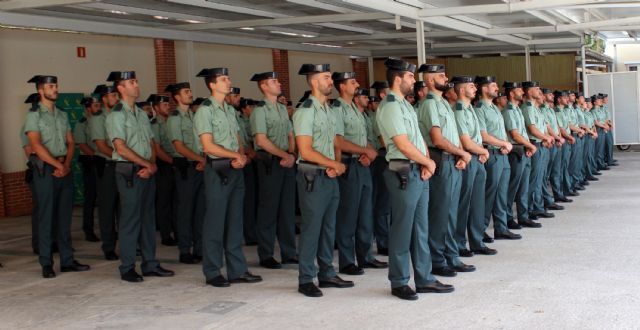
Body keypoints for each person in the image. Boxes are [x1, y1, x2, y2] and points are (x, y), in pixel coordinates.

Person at [377, 58, 453, 300]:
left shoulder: (406, 105)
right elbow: (401, 143)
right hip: (403, 172)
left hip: (417, 171)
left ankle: (424, 277)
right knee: (402, 228)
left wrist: (426, 163)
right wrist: (428, 162)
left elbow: (418, 140)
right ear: (398, 78)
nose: (413, 80)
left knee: (421, 228)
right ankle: (399, 281)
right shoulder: (390, 106)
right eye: (410, 77)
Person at [193, 67, 262, 287]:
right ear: (212, 84)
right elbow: (207, 145)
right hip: (218, 170)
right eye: (224, 79)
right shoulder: (205, 110)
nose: (228, 82)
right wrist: (234, 155)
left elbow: (237, 138)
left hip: (235, 168)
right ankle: (212, 271)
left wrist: (241, 156)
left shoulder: (229, 110)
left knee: (235, 222)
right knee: (215, 222)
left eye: (228, 78)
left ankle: (237, 270)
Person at [105, 71, 174, 282]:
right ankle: (127, 267)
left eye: (136, 81)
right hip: (129, 172)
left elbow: (150, 144)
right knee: (130, 221)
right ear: (120, 88)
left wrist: (151, 164)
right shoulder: (117, 115)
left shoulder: (142, 114)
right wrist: (146, 164)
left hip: (147, 171)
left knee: (147, 220)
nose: (136, 85)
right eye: (131, 82)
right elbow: (120, 148)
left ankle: (150, 264)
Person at [292, 63, 352, 297]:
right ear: (314, 82)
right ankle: (306, 278)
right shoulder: (305, 111)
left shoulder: (329, 110)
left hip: (328, 175)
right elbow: (305, 150)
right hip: (312, 177)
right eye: (326, 77)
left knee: (328, 228)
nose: (330, 81)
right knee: (312, 228)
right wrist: (333, 164)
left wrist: (335, 165)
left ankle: (326, 273)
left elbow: (335, 143)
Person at [24, 75, 90, 278]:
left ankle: (67, 260)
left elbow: (70, 142)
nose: (55, 89)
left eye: (56, 85)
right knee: (46, 218)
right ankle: (46, 263)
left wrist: (66, 164)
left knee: (64, 217)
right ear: (41, 91)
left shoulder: (62, 114)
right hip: (45, 170)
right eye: (51, 86)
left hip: (63, 168)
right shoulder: (34, 115)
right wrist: (57, 165)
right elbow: (35, 145)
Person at [416, 64, 475, 277]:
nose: (446, 78)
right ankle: (437, 259)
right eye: (441, 75)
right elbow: (437, 139)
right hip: (440, 159)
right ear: (430, 81)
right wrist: (462, 153)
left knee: (450, 212)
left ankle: (451, 255)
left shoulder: (442, 103)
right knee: (440, 213)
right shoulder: (431, 104)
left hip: (452, 160)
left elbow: (452, 135)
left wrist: (460, 154)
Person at [331, 72, 387, 275]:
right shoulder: (337, 108)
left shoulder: (355, 108)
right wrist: (364, 151)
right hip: (349, 166)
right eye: (352, 82)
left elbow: (364, 139)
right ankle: (347, 261)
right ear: (342, 86)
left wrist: (369, 154)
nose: (357, 84)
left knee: (365, 214)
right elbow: (338, 141)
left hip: (363, 165)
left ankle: (365, 257)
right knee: (348, 215)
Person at [249, 71, 298, 269]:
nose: (278, 84)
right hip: (269, 163)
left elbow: (290, 134)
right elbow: (261, 140)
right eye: (274, 81)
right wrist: (284, 155)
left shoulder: (280, 108)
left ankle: (288, 252)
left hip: (285, 162)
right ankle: (266, 254)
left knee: (287, 209)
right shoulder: (259, 111)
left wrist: (291, 154)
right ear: (263, 86)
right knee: (268, 209)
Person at [474, 77, 521, 242]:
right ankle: (481, 230)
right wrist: (504, 143)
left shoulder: (494, 107)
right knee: (489, 195)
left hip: (502, 154)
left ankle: (501, 228)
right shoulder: (479, 108)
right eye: (493, 85)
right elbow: (483, 135)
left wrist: (504, 144)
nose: (496, 88)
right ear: (484, 89)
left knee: (501, 194)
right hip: (491, 155)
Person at [451, 76, 494, 257]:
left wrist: (481, 152)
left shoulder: (470, 109)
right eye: (471, 86)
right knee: (464, 205)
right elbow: (466, 142)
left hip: (477, 159)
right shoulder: (459, 110)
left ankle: (476, 241)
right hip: (469, 160)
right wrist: (483, 151)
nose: (475, 88)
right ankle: (460, 243)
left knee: (477, 203)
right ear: (461, 90)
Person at [165, 82, 205, 264]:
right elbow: (179, 146)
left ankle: (199, 248)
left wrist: (202, 159)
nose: (190, 94)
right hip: (186, 168)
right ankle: (184, 250)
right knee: (185, 210)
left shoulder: (193, 116)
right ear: (177, 97)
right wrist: (200, 159)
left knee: (200, 210)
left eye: (190, 91)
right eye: (186, 92)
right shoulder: (175, 118)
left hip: (198, 166)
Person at [501, 82, 541, 230]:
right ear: (511, 94)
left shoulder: (517, 109)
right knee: (512, 187)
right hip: (515, 151)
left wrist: (528, 146)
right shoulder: (509, 111)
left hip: (523, 149)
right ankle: (507, 217)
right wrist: (530, 145)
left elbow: (522, 134)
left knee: (523, 186)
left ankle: (523, 216)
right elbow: (515, 135)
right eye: (518, 90)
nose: (521, 92)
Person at [89, 84, 120, 260]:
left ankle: (129, 243)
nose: (116, 98)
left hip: (122, 165)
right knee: (107, 209)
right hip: (108, 166)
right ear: (104, 99)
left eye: (116, 95)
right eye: (112, 95)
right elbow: (101, 146)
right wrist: (122, 157)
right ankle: (108, 246)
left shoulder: (119, 116)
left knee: (124, 208)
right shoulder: (97, 119)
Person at [148, 94, 178, 247]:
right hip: (164, 164)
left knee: (176, 200)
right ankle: (166, 234)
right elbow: (157, 150)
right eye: (164, 105)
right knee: (164, 201)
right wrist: (173, 162)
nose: (168, 107)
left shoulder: (171, 121)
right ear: (156, 107)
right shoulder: (154, 124)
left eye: (168, 104)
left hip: (176, 163)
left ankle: (177, 230)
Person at [73, 96, 101, 242]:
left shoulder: (102, 120)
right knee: (90, 197)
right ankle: (88, 230)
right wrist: (98, 155)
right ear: (88, 107)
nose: (99, 108)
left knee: (105, 197)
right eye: (96, 106)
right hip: (91, 162)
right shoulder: (81, 123)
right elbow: (82, 145)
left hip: (102, 161)